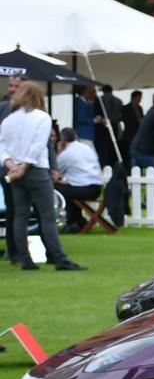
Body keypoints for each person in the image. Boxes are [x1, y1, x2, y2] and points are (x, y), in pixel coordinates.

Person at [1, 82, 83, 270]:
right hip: (36, 170)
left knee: (20, 215)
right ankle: (60, 259)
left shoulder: (9, 120)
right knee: (47, 216)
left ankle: (25, 259)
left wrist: (12, 165)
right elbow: (38, 146)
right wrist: (25, 165)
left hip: (14, 172)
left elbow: (2, 147)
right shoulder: (42, 118)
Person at [54, 125, 102, 232]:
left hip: (83, 189)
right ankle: (78, 220)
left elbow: (56, 173)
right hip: (96, 188)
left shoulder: (66, 154)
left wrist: (59, 152)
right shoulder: (86, 148)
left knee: (56, 189)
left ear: (62, 140)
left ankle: (72, 222)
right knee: (69, 191)